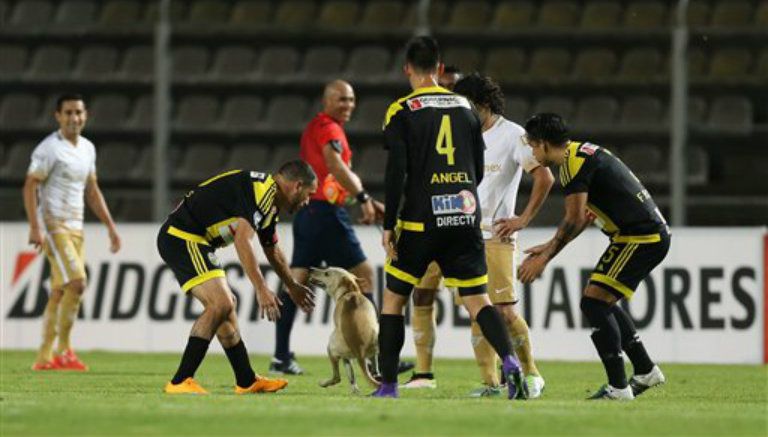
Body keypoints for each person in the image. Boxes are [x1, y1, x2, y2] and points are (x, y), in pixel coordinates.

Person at [373, 36, 527, 400]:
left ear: (407, 69)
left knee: (394, 301)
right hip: (464, 216)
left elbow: (396, 171)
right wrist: (460, 200)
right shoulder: (465, 108)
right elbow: (476, 168)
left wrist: (388, 225)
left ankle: (390, 386)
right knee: (478, 300)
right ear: (440, 69)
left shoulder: (401, 110)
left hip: (419, 221)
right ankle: (511, 364)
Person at [402, 74, 554, 398]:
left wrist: (522, 219)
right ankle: (492, 384)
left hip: (496, 234)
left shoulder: (513, 135)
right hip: (462, 231)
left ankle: (532, 374)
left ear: (483, 105)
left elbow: (545, 177)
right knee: (477, 311)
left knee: (505, 311)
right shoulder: (463, 133)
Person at [517, 113, 669, 400]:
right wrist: (550, 244)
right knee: (601, 301)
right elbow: (584, 216)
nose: (532, 153)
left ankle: (619, 387)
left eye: (534, 146)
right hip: (637, 234)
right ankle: (645, 370)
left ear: (546, 144)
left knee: (594, 302)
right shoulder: (579, 154)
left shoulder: (573, 165)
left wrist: (545, 257)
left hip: (642, 236)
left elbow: (574, 218)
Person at [272, 80, 413, 377]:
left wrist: (367, 202)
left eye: (351, 100)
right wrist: (363, 198)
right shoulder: (330, 129)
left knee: (296, 282)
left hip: (309, 214)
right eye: (341, 99)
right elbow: (335, 166)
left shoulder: (316, 126)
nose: (348, 105)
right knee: (364, 276)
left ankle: (281, 356)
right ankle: (378, 355)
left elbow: (331, 181)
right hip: (326, 215)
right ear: (327, 101)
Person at [159, 162, 317, 394]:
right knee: (220, 303)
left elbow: (271, 249)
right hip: (182, 236)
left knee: (226, 306)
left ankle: (246, 380)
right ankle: (180, 380)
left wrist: (291, 285)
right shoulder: (263, 193)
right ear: (297, 185)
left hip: (196, 240)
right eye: (309, 194)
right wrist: (261, 288)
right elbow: (244, 240)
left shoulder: (268, 201)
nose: (308, 201)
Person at [24, 93, 121, 372]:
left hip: (76, 227)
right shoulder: (49, 149)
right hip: (54, 226)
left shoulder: (88, 148)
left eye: (78, 112)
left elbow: (92, 191)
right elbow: (30, 185)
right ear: (58, 116)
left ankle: (44, 358)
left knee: (59, 291)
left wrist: (111, 227)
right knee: (78, 283)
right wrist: (34, 226)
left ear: (86, 115)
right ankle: (64, 351)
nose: (73, 118)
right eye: (67, 113)